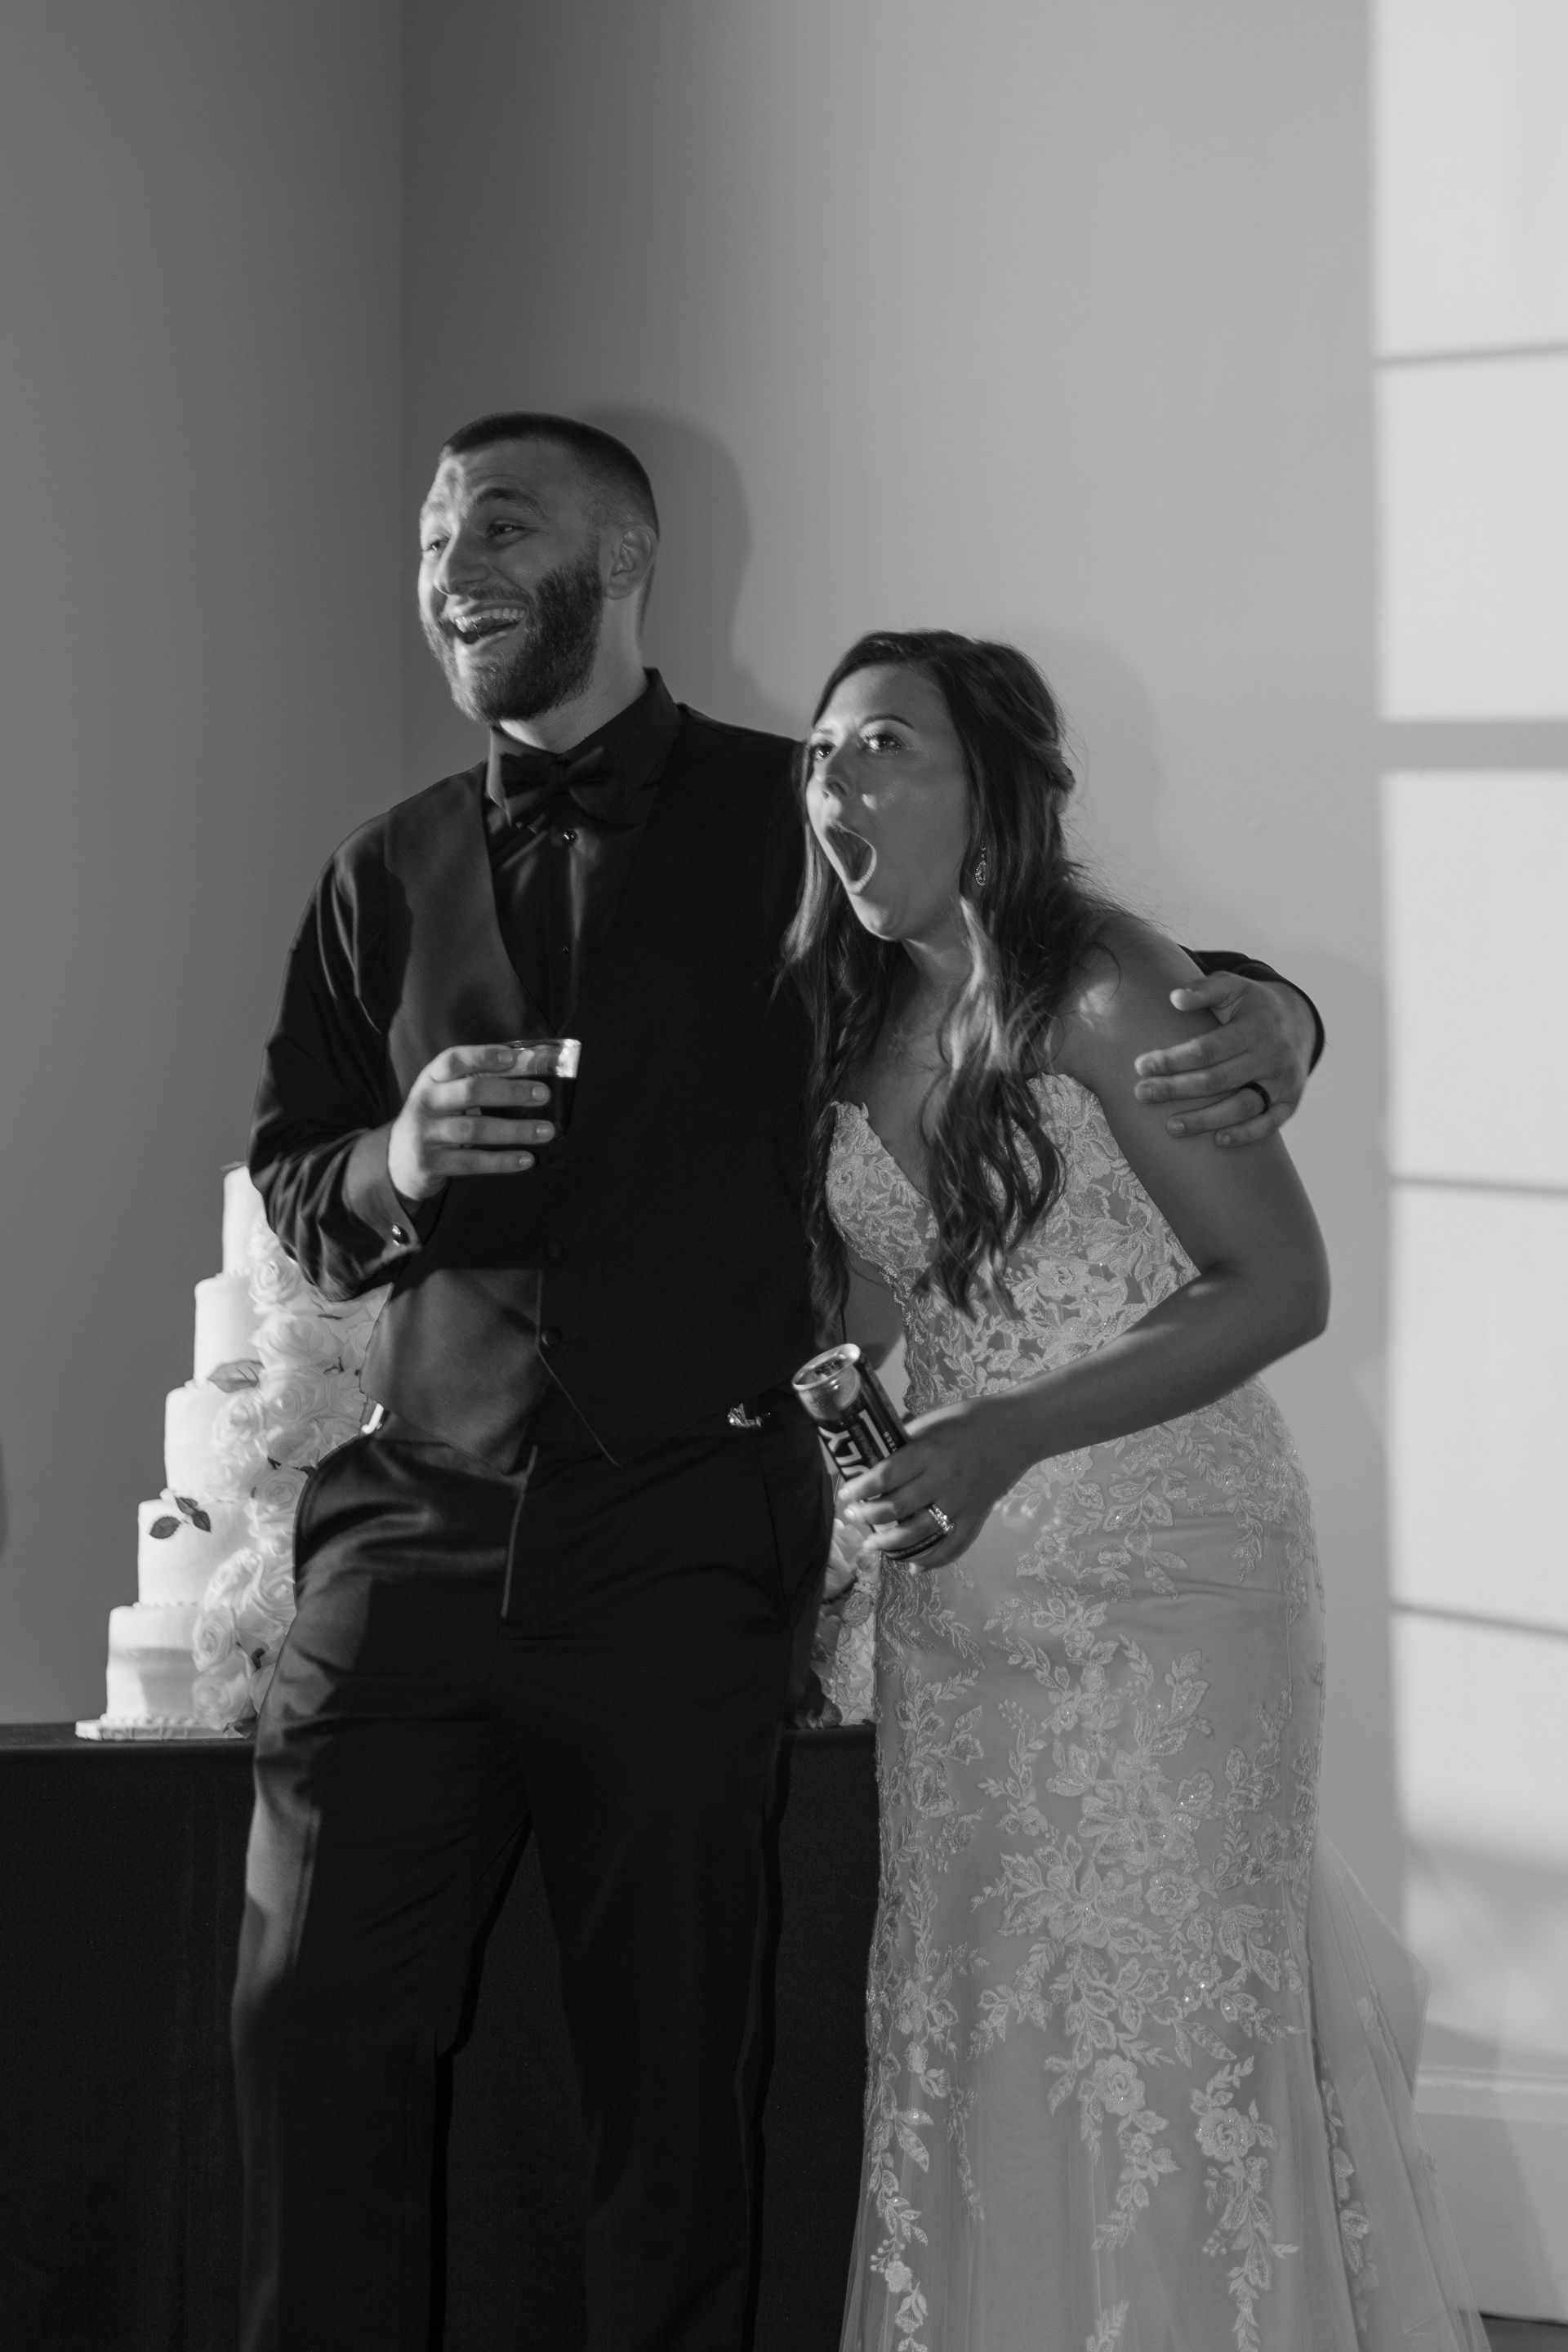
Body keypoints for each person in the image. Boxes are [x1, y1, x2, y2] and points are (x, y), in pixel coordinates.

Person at [232, 417, 1324, 2352]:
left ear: (624, 559)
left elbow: (1023, 964)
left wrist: (1276, 1010)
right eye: (430, 535)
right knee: (307, 2026)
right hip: (405, 1543)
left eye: (504, 523)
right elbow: (293, 1177)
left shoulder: (801, 822)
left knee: (672, 2089)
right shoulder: (375, 872)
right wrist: (389, 1162)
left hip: (678, 1542)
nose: (454, 563)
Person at [787, 630, 1485, 2352]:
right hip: (962, 1627)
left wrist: (1013, 1428)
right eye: (824, 758)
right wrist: (853, 1476)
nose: (838, 788)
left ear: (997, 788)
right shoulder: (855, 1016)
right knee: (978, 2029)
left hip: (1176, 1600)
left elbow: (1276, 1284)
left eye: (886, 747)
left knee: (1163, 2036)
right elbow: (880, 1324)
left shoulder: (1106, 984)